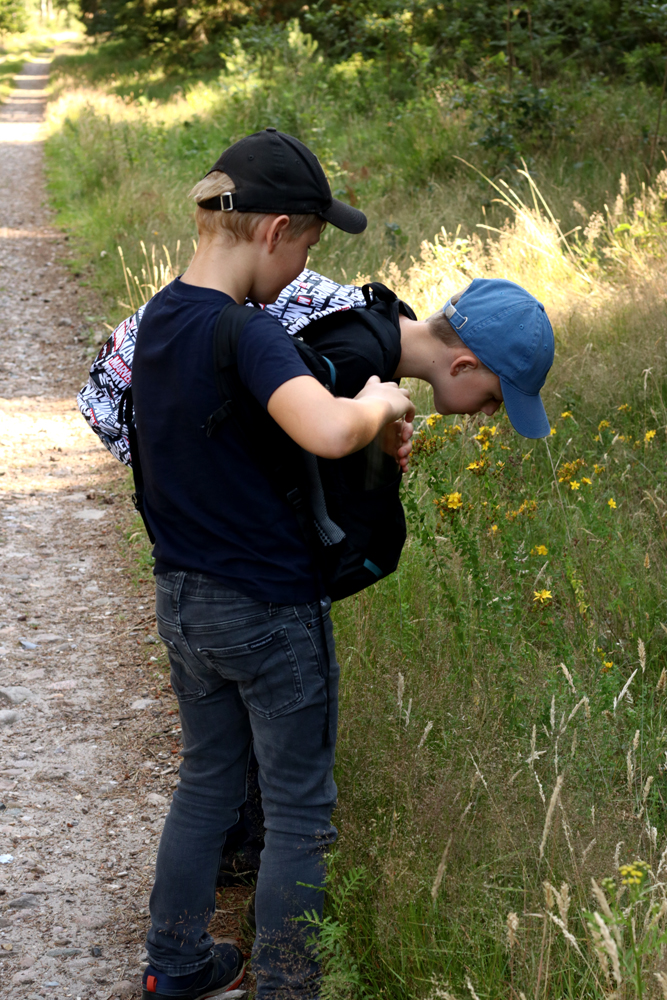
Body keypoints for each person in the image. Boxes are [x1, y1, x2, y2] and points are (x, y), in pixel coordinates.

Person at [133, 128, 415, 1000]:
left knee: (207, 781)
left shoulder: (158, 320)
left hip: (184, 601)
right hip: (267, 609)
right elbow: (327, 428)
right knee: (299, 809)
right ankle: (289, 986)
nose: (302, 270)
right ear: (273, 229)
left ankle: (177, 966)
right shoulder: (246, 332)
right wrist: (378, 401)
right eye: (307, 249)